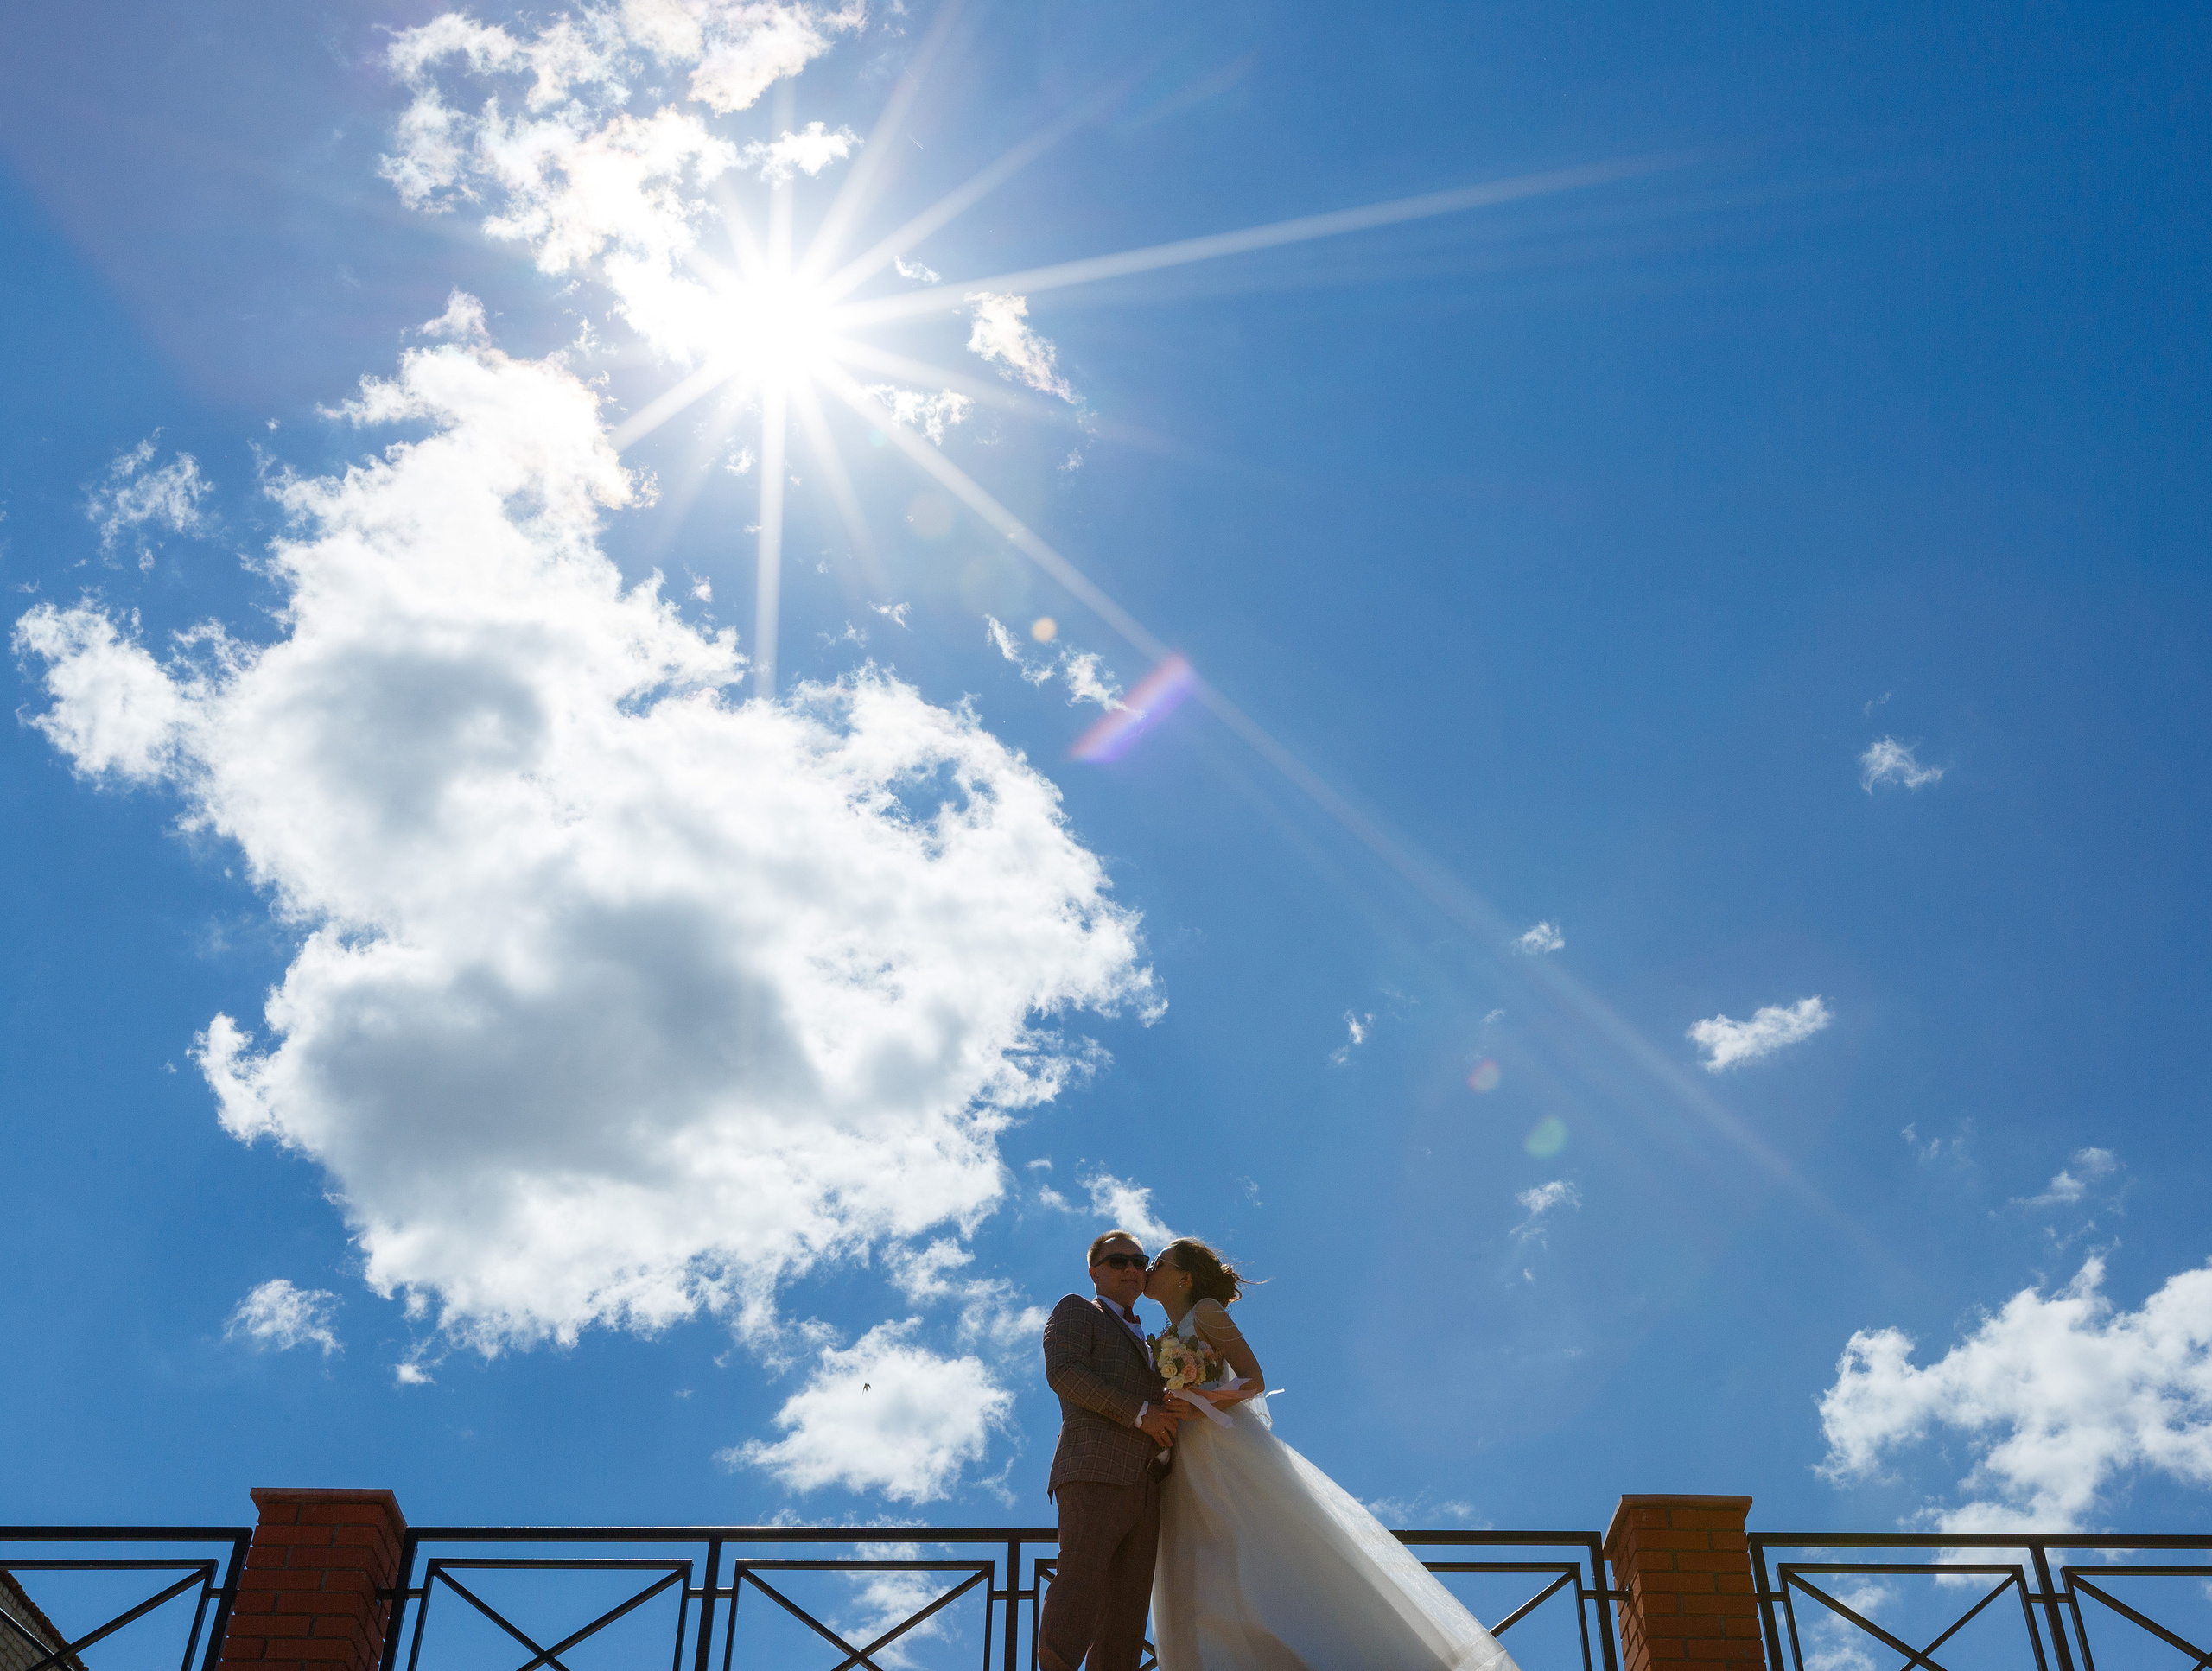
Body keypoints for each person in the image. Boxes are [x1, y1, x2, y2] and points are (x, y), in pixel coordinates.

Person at [1143, 1236, 1521, 1671]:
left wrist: (1200, 1400)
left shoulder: (1206, 1313)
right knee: (1197, 1568)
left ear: (1185, 1276)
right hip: (1185, 1458)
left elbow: (1253, 1380)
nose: (1149, 1269)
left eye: (1158, 1262)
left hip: (1223, 1448)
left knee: (1251, 1553)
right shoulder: (1166, 1336)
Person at [1038, 1229, 1189, 1671]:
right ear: (1094, 1272)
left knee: (1127, 1609)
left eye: (1139, 1262)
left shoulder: (1157, 1341)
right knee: (1081, 1582)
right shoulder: (1077, 1309)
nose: (1131, 1269)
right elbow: (1064, 1371)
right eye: (1118, 1261)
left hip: (1149, 1485)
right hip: (1095, 1468)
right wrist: (1141, 1413)